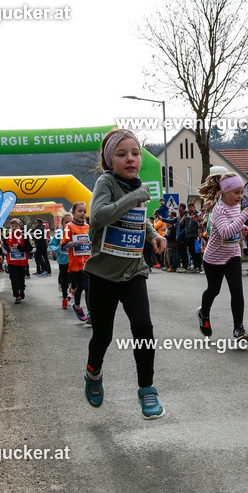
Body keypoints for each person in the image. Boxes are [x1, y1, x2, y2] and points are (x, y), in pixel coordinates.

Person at [84, 128, 166, 418]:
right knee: (102, 336)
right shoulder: (106, 182)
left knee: (143, 328)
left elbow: (137, 219)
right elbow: (99, 217)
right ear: (110, 161)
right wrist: (135, 197)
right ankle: (93, 373)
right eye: (122, 154)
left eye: (135, 153)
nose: (130, 159)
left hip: (133, 271)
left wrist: (153, 234)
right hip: (103, 275)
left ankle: (147, 389)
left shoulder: (137, 186)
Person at [197, 172, 248, 343]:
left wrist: (242, 227)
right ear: (224, 192)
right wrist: (244, 217)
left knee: (237, 290)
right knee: (214, 290)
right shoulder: (218, 210)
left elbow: (233, 226)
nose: (240, 196)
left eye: (241, 192)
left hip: (232, 254)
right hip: (214, 258)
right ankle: (203, 314)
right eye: (236, 192)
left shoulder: (235, 206)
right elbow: (226, 231)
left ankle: (238, 328)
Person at [62, 202, 92, 323]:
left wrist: (90, 243)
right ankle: (77, 306)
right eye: (80, 211)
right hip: (75, 263)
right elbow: (64, 245)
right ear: (73, 212)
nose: (82, 214)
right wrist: (78, 243)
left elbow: (92, 241)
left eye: (84, 212)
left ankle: (90, 313)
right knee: (81, 287)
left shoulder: (88, 227)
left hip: (87, 262)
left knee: (88, 287)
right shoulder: (68, 227)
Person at [1, 217, 33, 303]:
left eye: (16, 226)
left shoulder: (24, 236)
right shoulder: (7, 236)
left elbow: (29, 248)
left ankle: (21, 290)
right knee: (13, 279)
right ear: (10, 227)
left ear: (19, 226)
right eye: (12, 226)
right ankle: (17, 296)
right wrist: (9, 249)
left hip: (22, 262)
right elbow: (5, 246)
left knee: (21, 279)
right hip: (11, 262)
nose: (14, 227)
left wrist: (18, 247)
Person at [48, 213, 72, 307]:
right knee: (64, 279)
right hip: (63, 260)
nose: (68, 224)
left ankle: (70, 290)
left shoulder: (76, 231)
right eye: (66, 222)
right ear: (62, 223)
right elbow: (51, 245)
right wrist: (58, 249)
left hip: (74, 260)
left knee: (73, 278)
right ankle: (65, 298)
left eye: (70, 221)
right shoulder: (59, 233)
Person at [176, 205, 190, 271]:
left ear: (182, 208)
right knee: (180, 252)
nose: (178, 208)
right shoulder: (180, 216)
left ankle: (185, 266)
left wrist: (180, 233)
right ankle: (183, 266)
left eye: (179, 207)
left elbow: (186, 226)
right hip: (179, 237)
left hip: (184, 237)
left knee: (184, 252)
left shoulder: (186, 215)